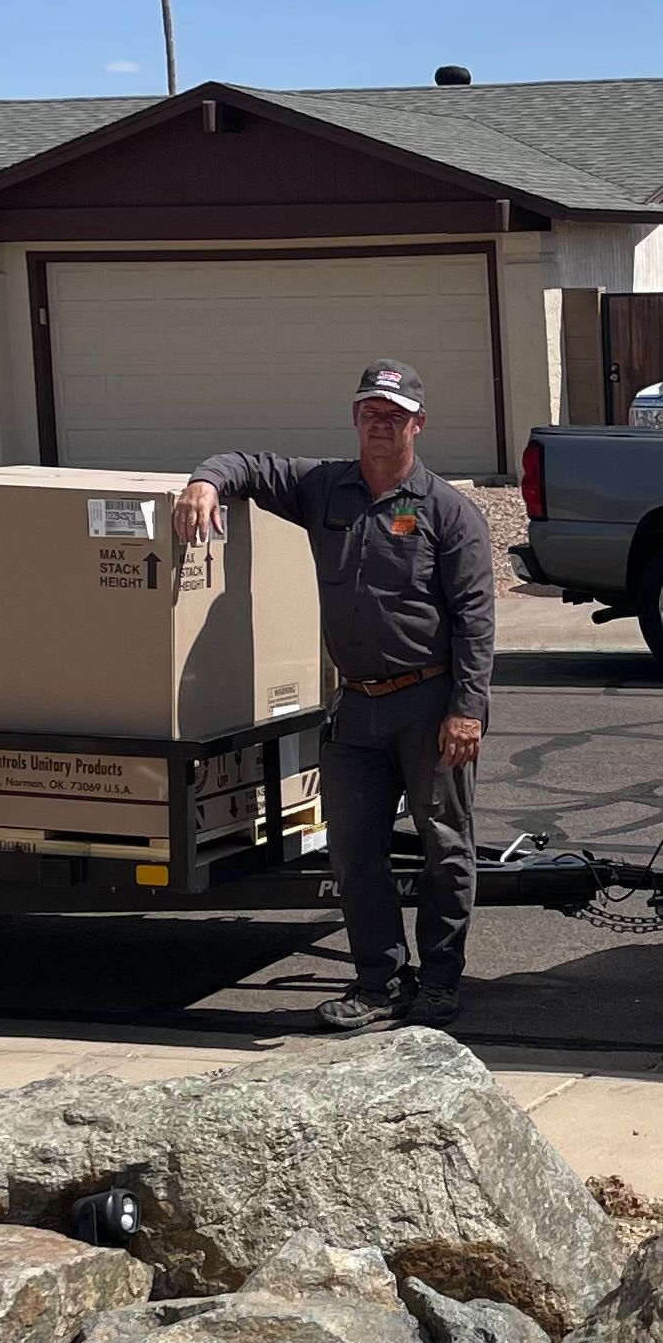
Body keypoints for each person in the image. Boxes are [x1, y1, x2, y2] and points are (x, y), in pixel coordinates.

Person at [172, 360, 494, 1030]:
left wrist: (466, 708)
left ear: (418, 424)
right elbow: (249, 465)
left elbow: (475, 615)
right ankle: (379, 981)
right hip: (356, 707)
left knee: (445, 847)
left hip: (430, 705)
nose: (382, 424)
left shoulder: (447, 512)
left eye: (395, 415)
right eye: (371, 412)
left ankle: (438, 980)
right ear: (356, 419)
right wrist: (206, 480)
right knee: (351, 849)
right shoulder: (323, 488)